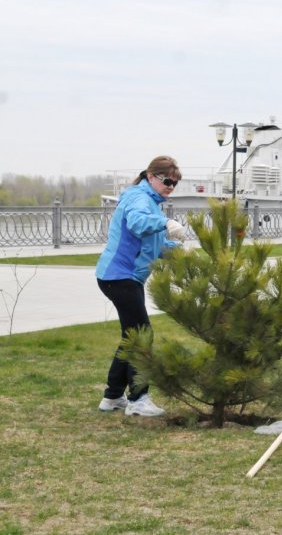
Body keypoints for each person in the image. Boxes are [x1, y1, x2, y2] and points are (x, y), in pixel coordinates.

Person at [95, 156, 186, 417]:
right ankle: (138, 399)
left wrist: (176, 250)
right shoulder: (139, 198)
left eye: (175, 183)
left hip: (122, 277)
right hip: (119, 276)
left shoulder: (151, 202)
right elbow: (137, 223)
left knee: (131, 336)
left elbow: (151, 245)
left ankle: (112, 397)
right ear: (151, 176)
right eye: (167, 181)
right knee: (142, 336)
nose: (171, 186)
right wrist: (165, 223)